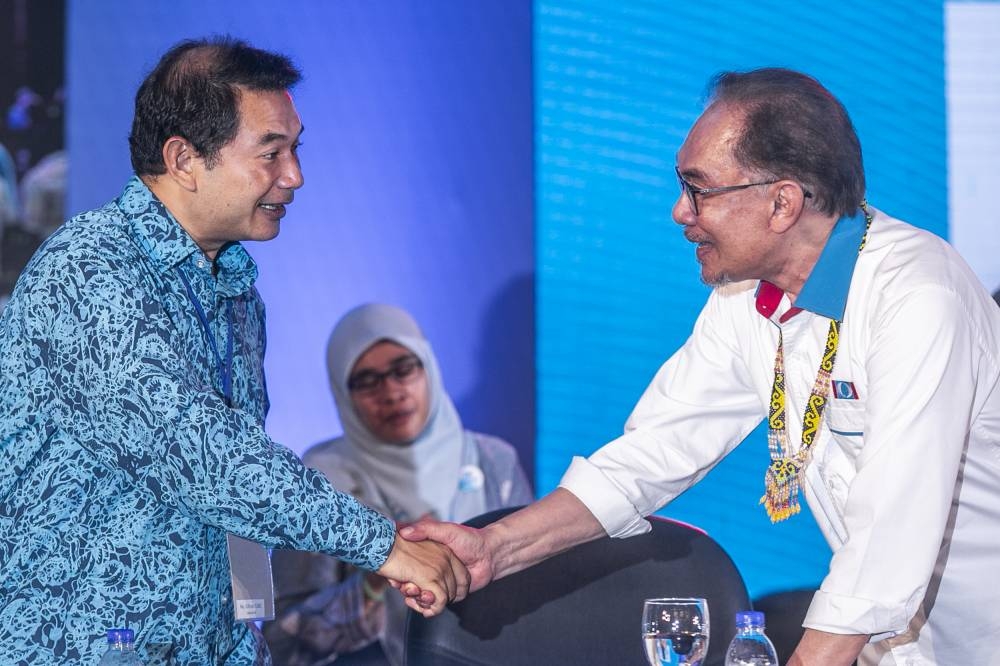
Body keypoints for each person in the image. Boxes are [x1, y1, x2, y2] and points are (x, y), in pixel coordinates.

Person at [402, 68, 1000, 666]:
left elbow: (889, 534)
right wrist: (495, 548)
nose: (678, 212)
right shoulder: (745, 299)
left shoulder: (918, 297)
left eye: (698, 188)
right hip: (889, 648)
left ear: (782, 202)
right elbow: (653, 453)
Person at [0, 37, 467, 665]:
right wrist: (387, 547)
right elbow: (205, 454)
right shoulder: (90, 271)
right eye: (271, 152)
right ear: (184, 159)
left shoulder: (236, 290)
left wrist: (241, 643)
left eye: (295, 149)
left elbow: (226, 510)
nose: (294, 175)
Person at [264, 303, 533, 665]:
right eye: (367, 381)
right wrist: (380, 576)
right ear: (343, 393)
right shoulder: (319, 478)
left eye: (403, 369)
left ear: (428, 367)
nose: (391, 392)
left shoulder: (494, 459)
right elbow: (282, 641)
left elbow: (533, 586)